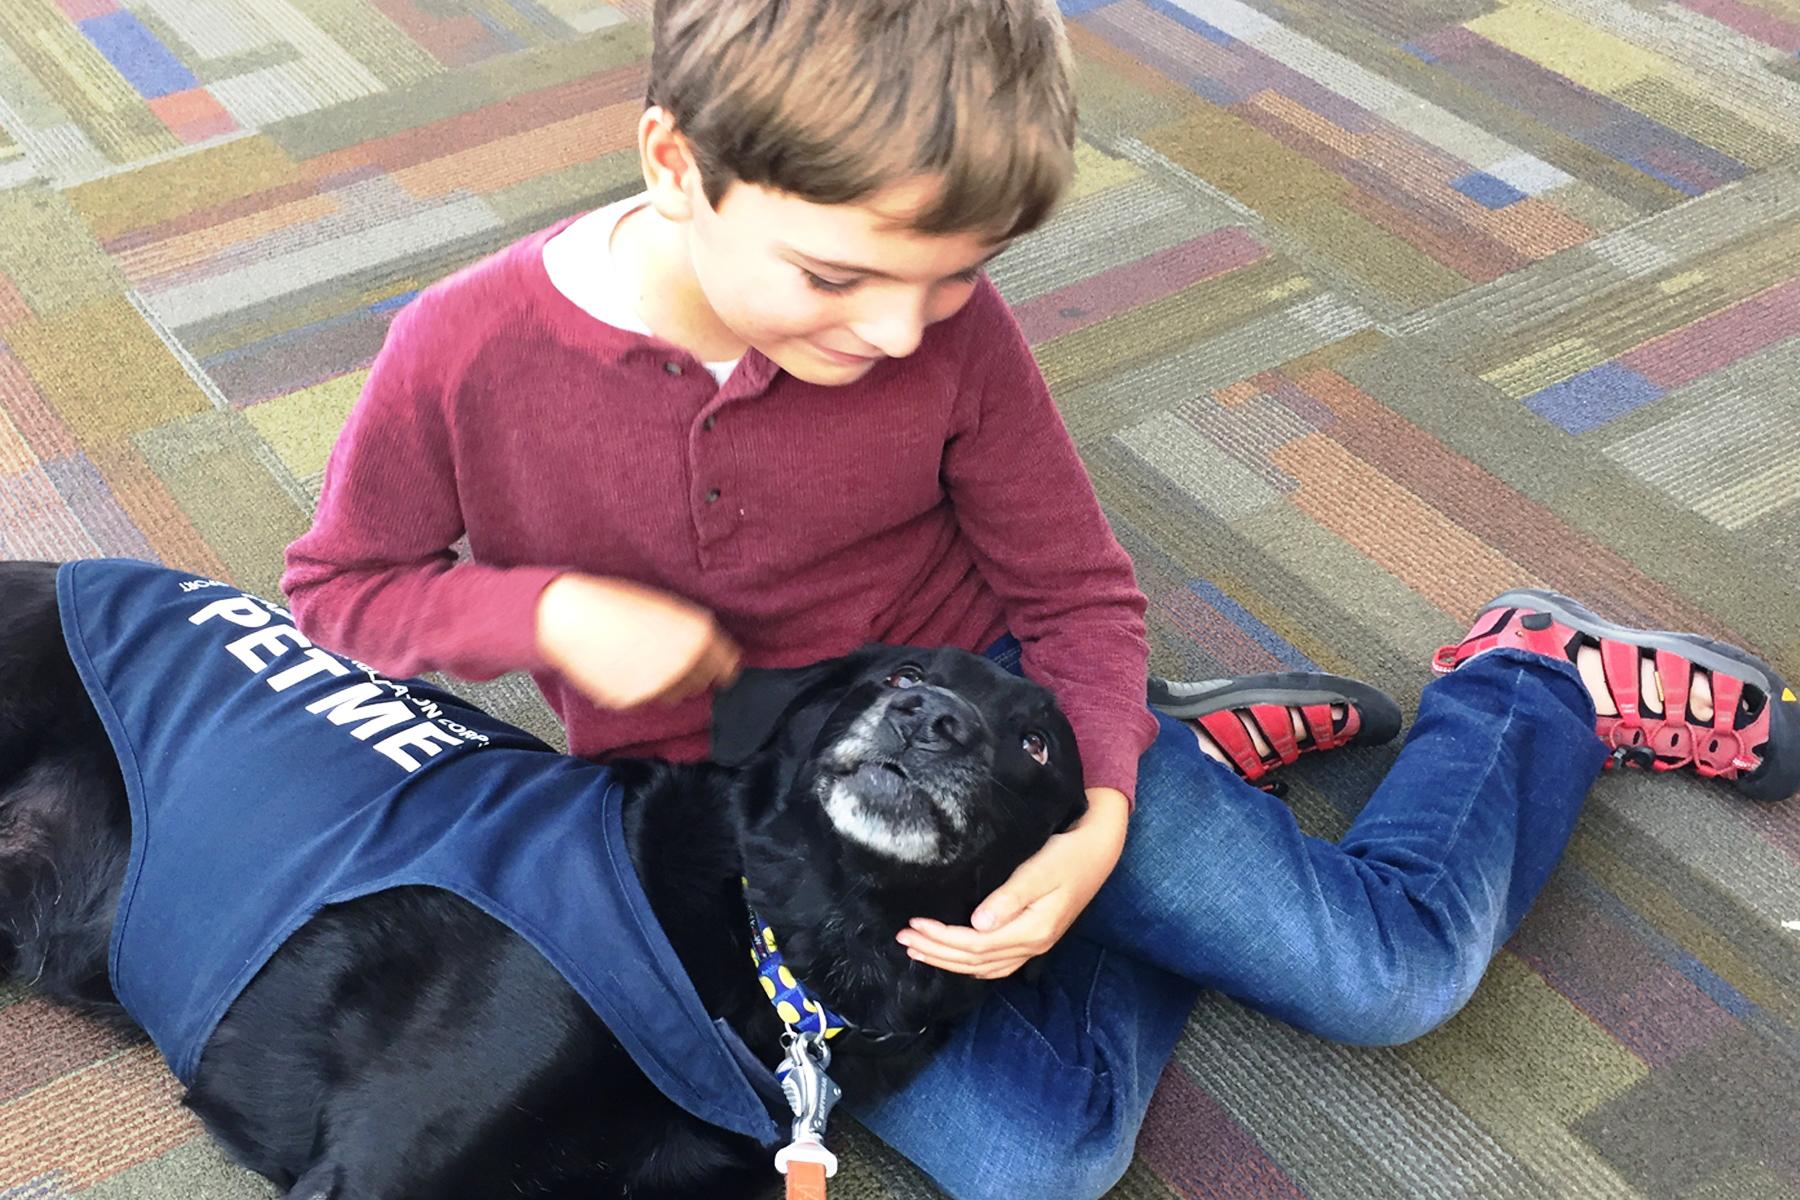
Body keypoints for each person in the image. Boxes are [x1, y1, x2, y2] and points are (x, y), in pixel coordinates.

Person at [282, 1, 1799, 1194]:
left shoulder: (948, 328)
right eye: (835, 278)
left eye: (950, 280)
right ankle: (1193, 765)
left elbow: (1074, 590)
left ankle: (1531, 682)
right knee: (1043, 1160)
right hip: (738, 811)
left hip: (1002, 712)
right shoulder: (459, 353)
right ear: (677, 165)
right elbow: (341, 592)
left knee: (1388, 978)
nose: (895, 334)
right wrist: (540, 615)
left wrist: (1096, 818)